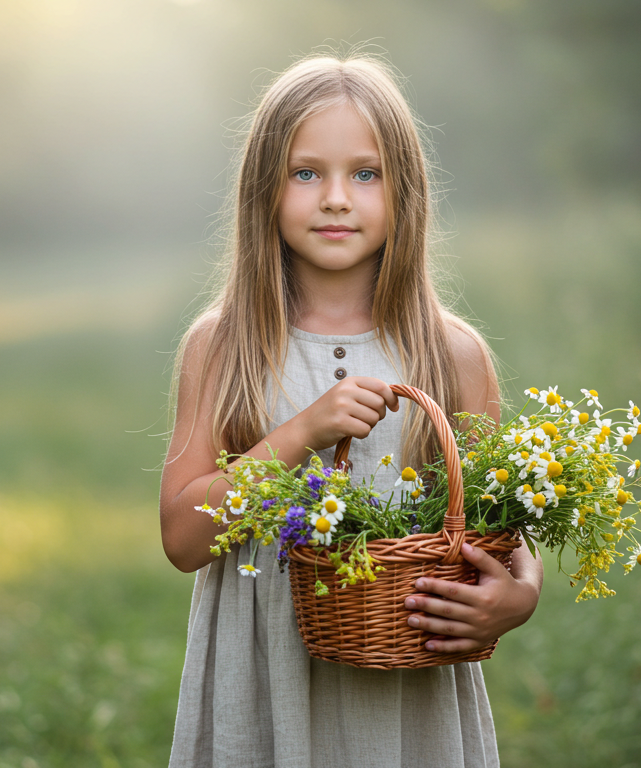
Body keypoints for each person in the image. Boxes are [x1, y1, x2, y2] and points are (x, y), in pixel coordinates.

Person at [159, 54, 544, 767]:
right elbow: (183, 539)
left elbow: (497, 524)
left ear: (406, 192)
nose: (336, 198)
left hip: (408, 694)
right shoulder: (224, 345)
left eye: (366, 174)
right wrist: (302, 431)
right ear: (263, 191)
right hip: (264, 680)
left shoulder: (452, 354)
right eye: (306, 173)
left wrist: (521, 595)